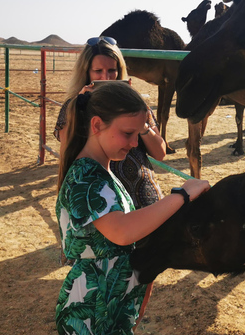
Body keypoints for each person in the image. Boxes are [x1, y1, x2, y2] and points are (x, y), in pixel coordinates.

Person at [55, 81, 210, 335]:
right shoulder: (86, 177)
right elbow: (122, 231)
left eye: (138, 134)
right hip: (91, 311)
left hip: (108, 303)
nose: (135, 142)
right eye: (128, 133)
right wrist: (181, 195)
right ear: (96, 125)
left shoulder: (101, 170)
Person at [55, 36, 167, 207]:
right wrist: (80, 106)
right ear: (86, 72)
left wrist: (138, 121)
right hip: (102, 197)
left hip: (143, 195)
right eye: (98, 71)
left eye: (112, 70)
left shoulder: (135, 103)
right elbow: (68, 154)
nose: (106, 77)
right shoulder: (74, 106)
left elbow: (160, 153)